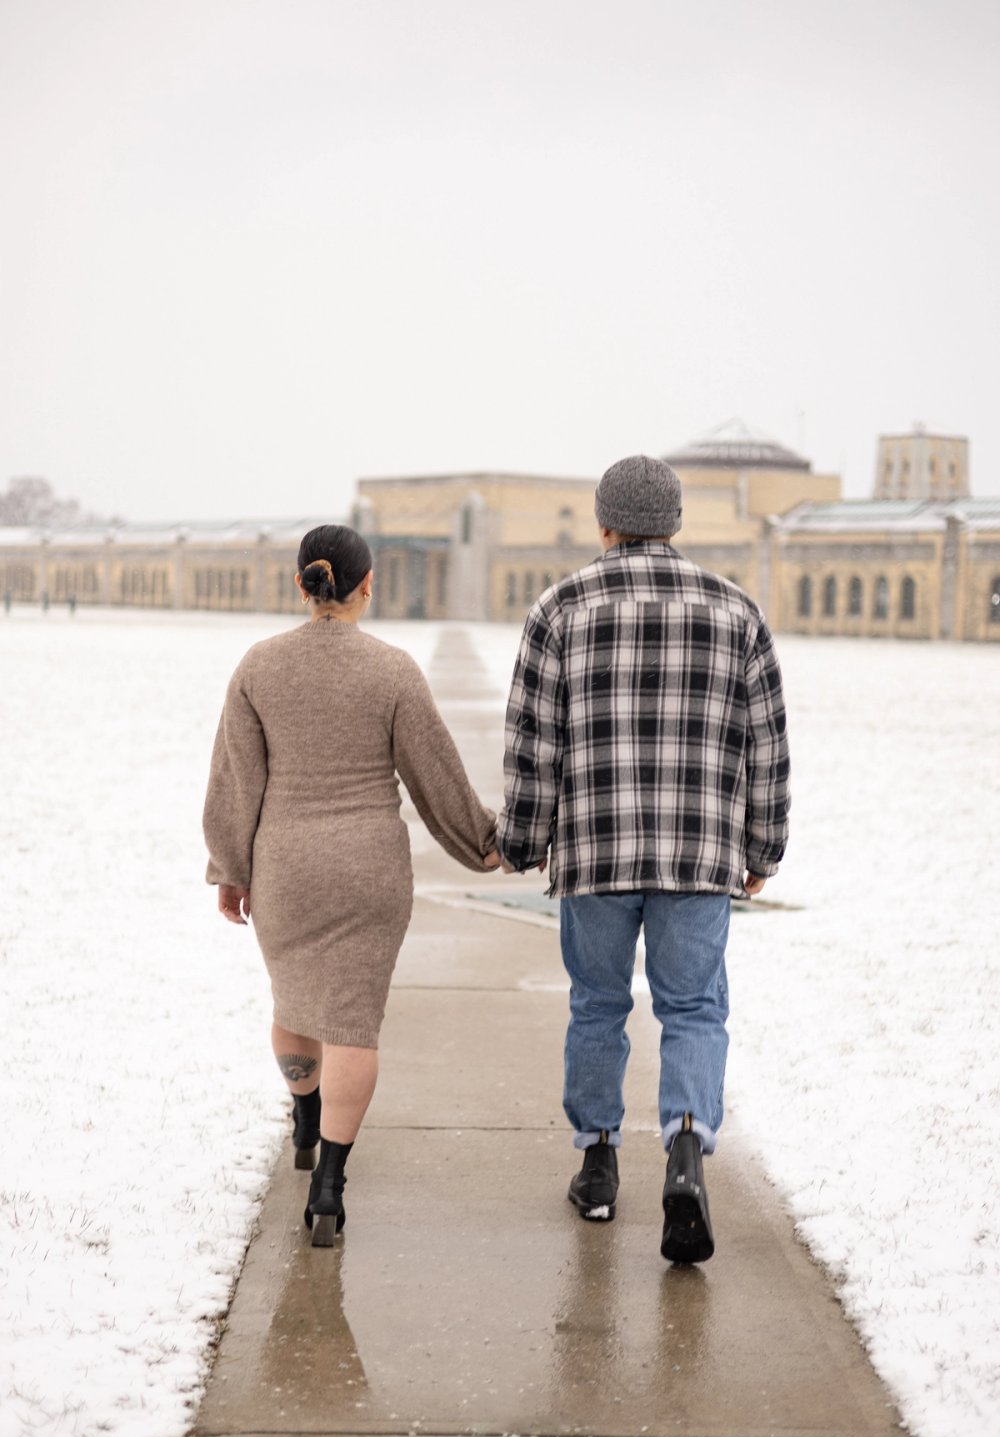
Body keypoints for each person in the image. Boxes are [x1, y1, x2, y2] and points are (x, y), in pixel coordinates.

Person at [496, 456, 790, 1263]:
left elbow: (532, 745)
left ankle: (597, 1165)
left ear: (605, 523)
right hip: (698, 856)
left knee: (597, 1005)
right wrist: (762, 846)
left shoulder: (560, 608)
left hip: (595, 853)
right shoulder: (737, 612)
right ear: (677, 523)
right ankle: (687, 1150)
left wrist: (522, 840)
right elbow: (767, 746)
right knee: (693, 1009)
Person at [203, 524, 499, 1246]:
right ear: (368, 585)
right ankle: (329, 1189)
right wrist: (484, 844)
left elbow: (235, 782)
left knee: (295, 999)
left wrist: (230, 868)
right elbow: (436, 775)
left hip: (287, 866)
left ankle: (304, 1114)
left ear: (300, 584)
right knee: (354, 1022)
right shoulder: (392, 671)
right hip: (370, 868)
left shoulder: (257, 667)